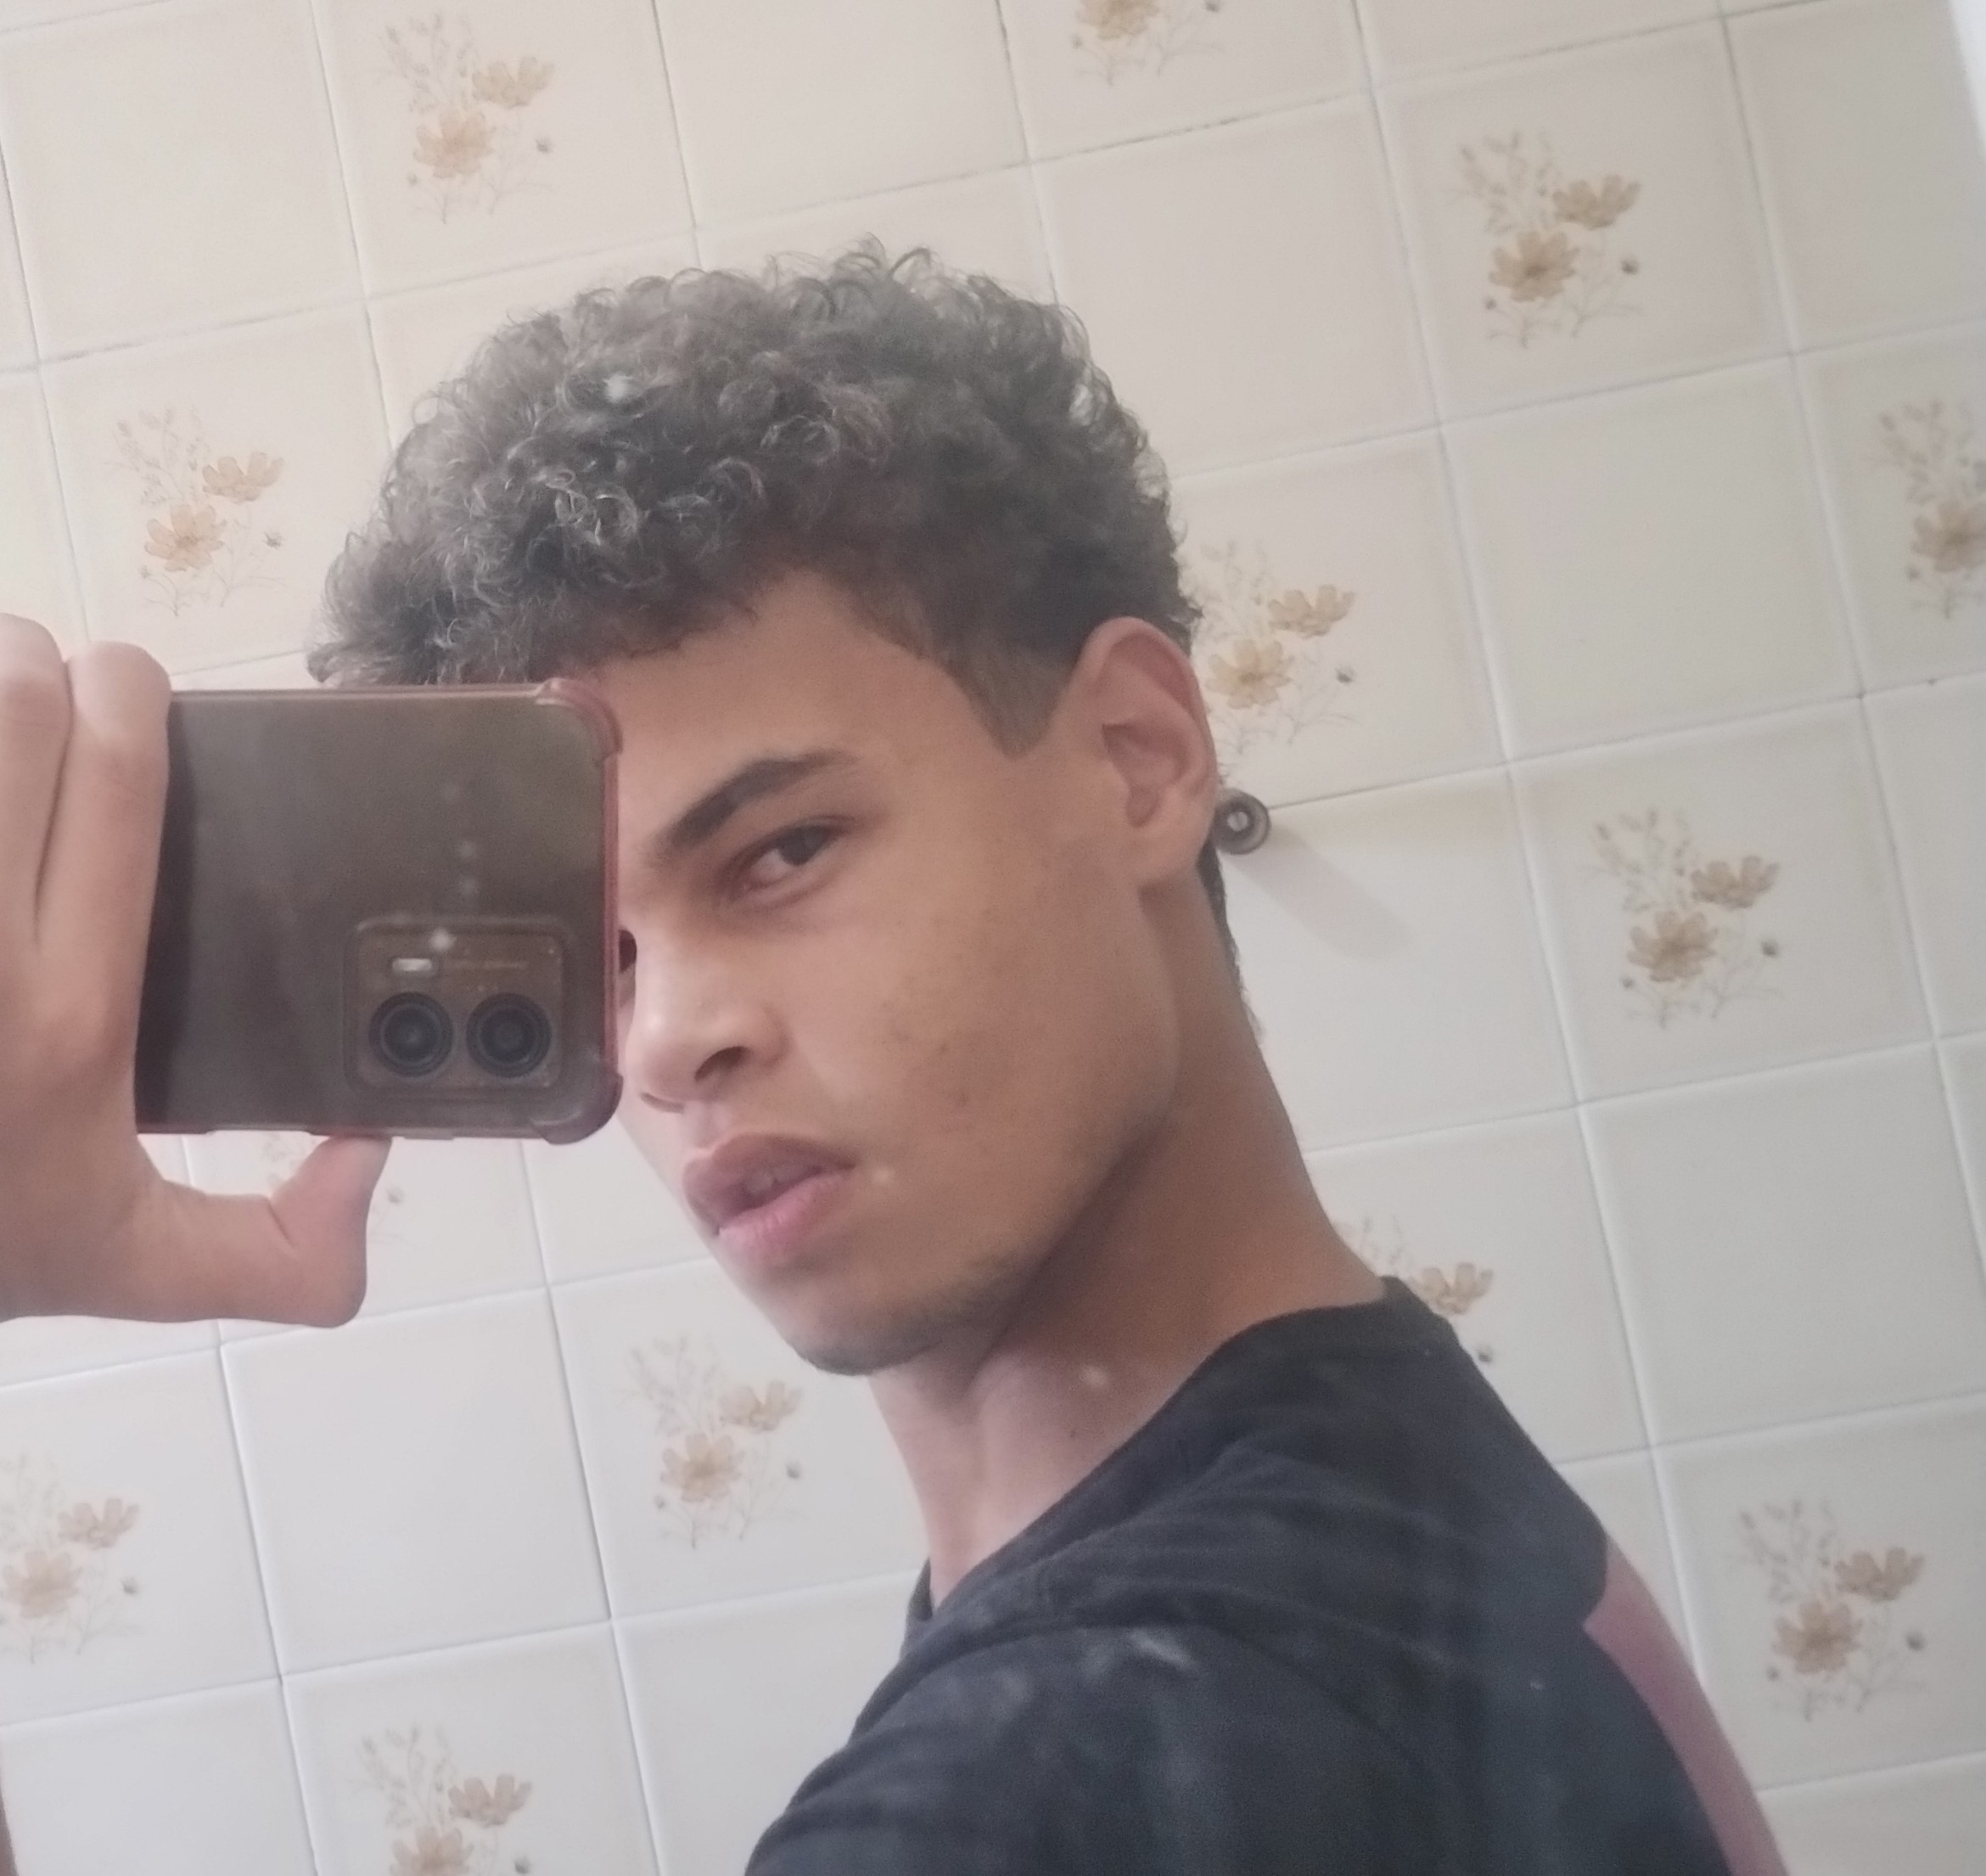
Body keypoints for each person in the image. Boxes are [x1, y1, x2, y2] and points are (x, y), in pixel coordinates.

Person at [0, 247, 1787, 1874]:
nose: (669, 1039)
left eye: (780, 852)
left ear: (1138, 757)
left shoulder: (1095, 1751)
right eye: (600, 960)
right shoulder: (1362, 1499)